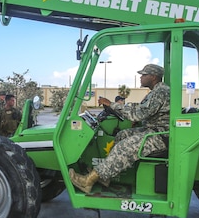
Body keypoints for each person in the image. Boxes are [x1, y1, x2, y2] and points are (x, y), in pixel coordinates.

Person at [70, 64, 170, 193]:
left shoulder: (161, 92)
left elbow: (140, 112)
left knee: (125, 146)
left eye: (144, 75)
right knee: (122, 135)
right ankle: (105, 176)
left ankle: (88, 181)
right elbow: (145, 111)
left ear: (153, 77)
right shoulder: (156, 91)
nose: (141, 77)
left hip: (162, 135)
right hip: (154, 131)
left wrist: (112, 104)